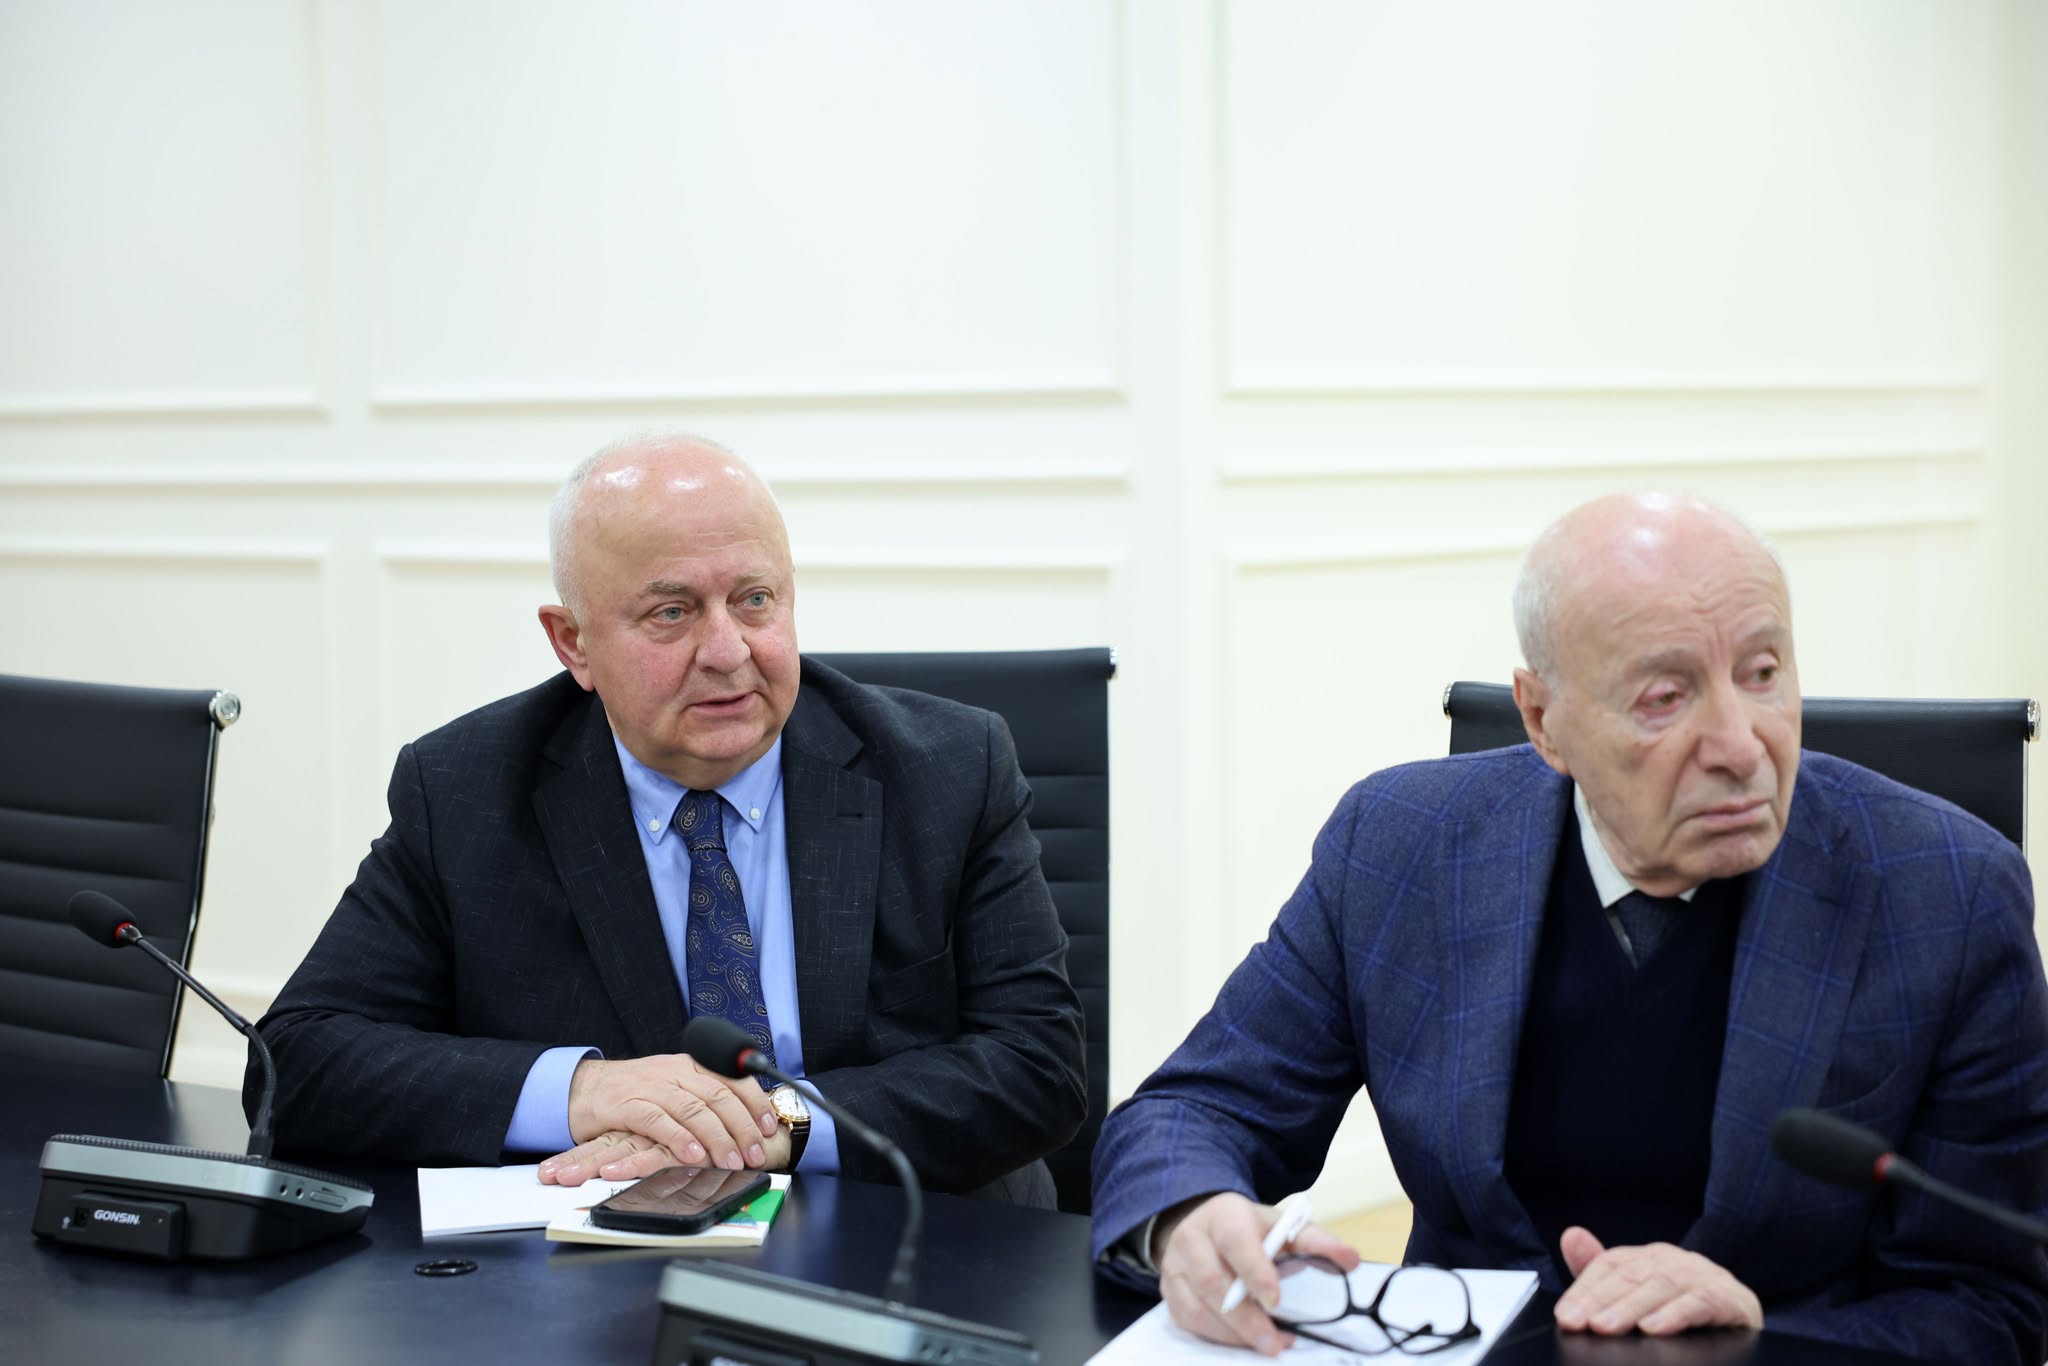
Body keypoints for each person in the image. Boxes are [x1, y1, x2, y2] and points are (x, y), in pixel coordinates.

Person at [1090, 493, 2048, 1362]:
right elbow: (1195, 1109)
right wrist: (1189, 1218)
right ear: (1543, 720)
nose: (1739, 744)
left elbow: (1993, 1304)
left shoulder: (1947, 893)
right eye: (1665, 697)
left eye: (1762, 673)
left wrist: (1763, 1334)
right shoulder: (1400, 846)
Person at [248, 432, 1086, 1205]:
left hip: (907, 1232)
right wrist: (583, 1092)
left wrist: (773, 1126)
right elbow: (300, 1061)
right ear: (572, 643)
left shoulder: (947, 769)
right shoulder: (465, 789)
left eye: (755, 599)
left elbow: (1037, 1066)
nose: (727, 651)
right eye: (672, 613)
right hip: (610, 1256)